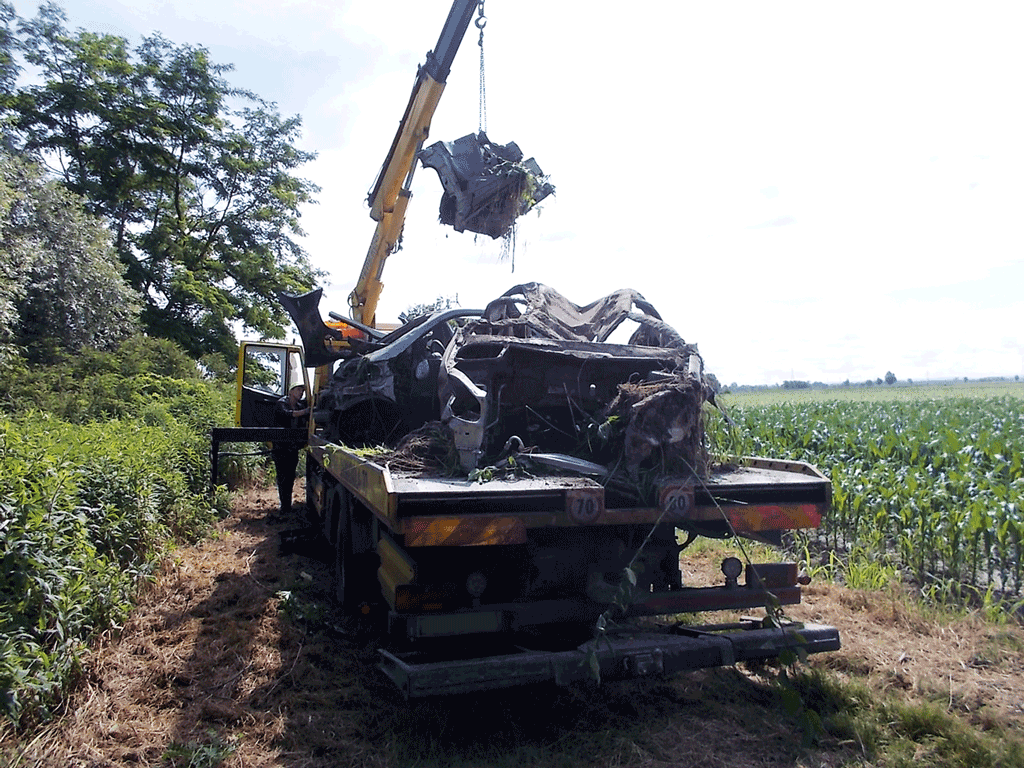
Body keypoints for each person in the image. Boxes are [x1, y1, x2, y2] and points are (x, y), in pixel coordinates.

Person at [271, 383, 309, 515]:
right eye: (299, 390)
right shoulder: (281, 403)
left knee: (290, 476)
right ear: (291, 391)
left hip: (292, 448)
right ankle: (284, 506)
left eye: (302, 391)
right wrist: (304, 412)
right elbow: (287, 414)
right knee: (282, 476)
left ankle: (287, 504)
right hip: (280, 447)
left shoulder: (299, 406)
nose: (301, 393)